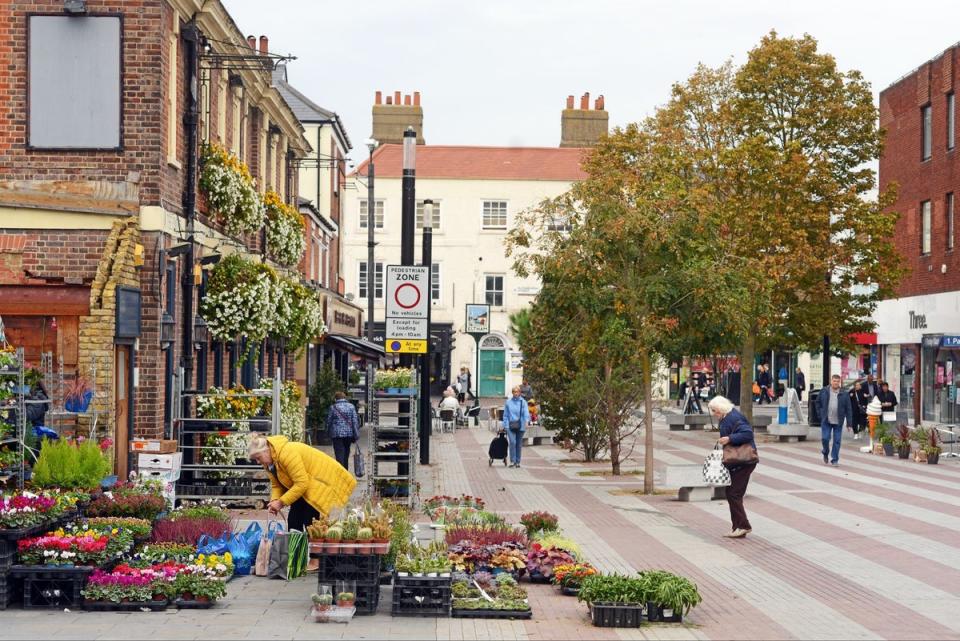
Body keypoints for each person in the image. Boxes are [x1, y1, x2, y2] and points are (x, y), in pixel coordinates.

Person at [247, 433, 356, 532]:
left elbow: (302, 483)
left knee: (310, 524)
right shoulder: (270, 462)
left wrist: (280, 502)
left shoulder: (286, 453)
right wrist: (275, 500)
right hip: (304, 487)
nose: (258, 462)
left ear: (266, 451)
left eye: (258, 457)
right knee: (294, 522)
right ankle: (297, 552)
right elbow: (276, 485)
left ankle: (310, 552)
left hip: (319, 483)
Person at [708, 395, 758, 539]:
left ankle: (742, 526)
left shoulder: (734, 418)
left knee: (734, 494)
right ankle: (738, 526)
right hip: (739, 462)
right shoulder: (728, 416)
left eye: (715, 411)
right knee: (732, 493)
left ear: (721, 409)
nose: (714, 414)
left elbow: (748, 433)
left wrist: (730, 438)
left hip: (744, 461)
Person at [818, 374, 853, 466]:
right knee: (825, 438)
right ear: (831, 381)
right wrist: (820, 414)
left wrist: (849, 423)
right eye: (834, 381)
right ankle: (825, 452)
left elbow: (848, 409)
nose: (836, 383)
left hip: (838, 421)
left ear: (840, 382)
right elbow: (817, 403)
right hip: (826, 420)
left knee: (837, 440)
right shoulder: (824, 391)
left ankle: (834, 459)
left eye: (838, 381)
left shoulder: (844, 393)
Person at [326, 391, 360, 472]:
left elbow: (329, 421)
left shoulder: (333, 407)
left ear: (335, 398)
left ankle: (340, 472)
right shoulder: (351, 407)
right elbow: (355, 421)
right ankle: (345, 470)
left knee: (339, 453)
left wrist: (327, 431)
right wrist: (356, 434)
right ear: (345, 398)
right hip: (348, 434)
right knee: (346, 452)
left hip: (337, 434)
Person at [502, 386, 530, 468]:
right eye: (514, 392)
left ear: (520, 393)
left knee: (518, 444)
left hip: (521, 425)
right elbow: (505, 415)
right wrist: (505, 425)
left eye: (517, 392)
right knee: (512, 442)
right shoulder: (508, 402)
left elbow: (526, 413)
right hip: (510, 426)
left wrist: (526, 422)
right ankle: (512, 461)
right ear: (512, 393)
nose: (516, 393)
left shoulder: (523, 402)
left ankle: (518, 462)